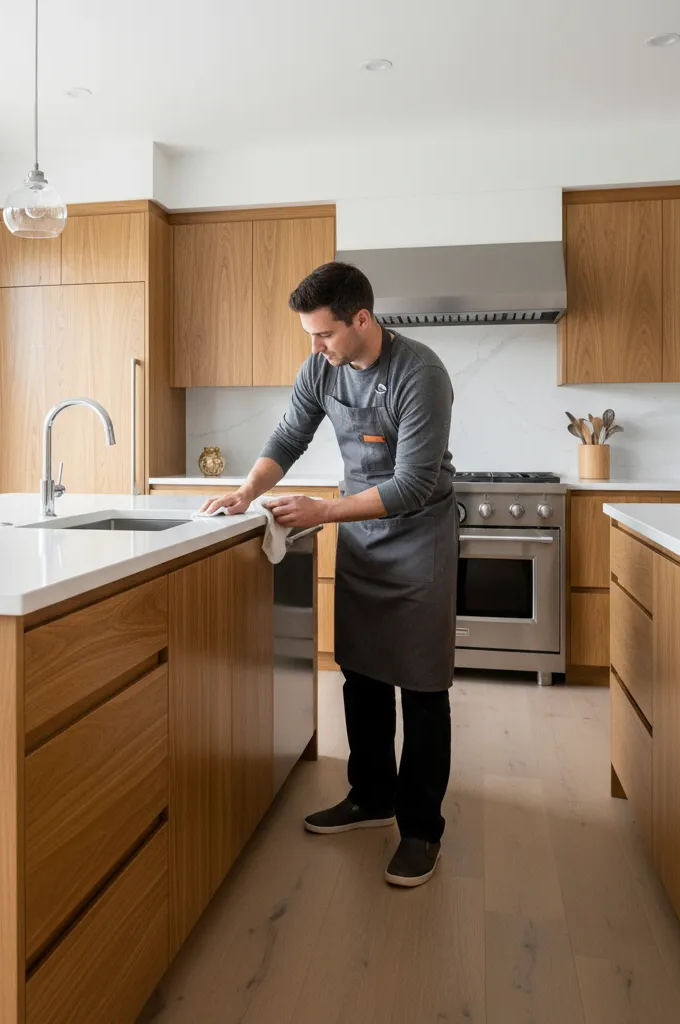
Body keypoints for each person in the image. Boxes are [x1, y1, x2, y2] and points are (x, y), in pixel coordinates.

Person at [200, 261, 457, 887]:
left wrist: (323, 511)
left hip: (418, 536)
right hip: (364, 535)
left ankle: (421, 829)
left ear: (361, 319)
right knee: (362, 673)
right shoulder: (322, 368)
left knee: (422, 688)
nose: (315, 347)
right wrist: (246, 491)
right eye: (311, 336)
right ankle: (371, 797)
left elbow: (413, 484)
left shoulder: (420, 374)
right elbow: (289, 435)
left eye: (323, 334)